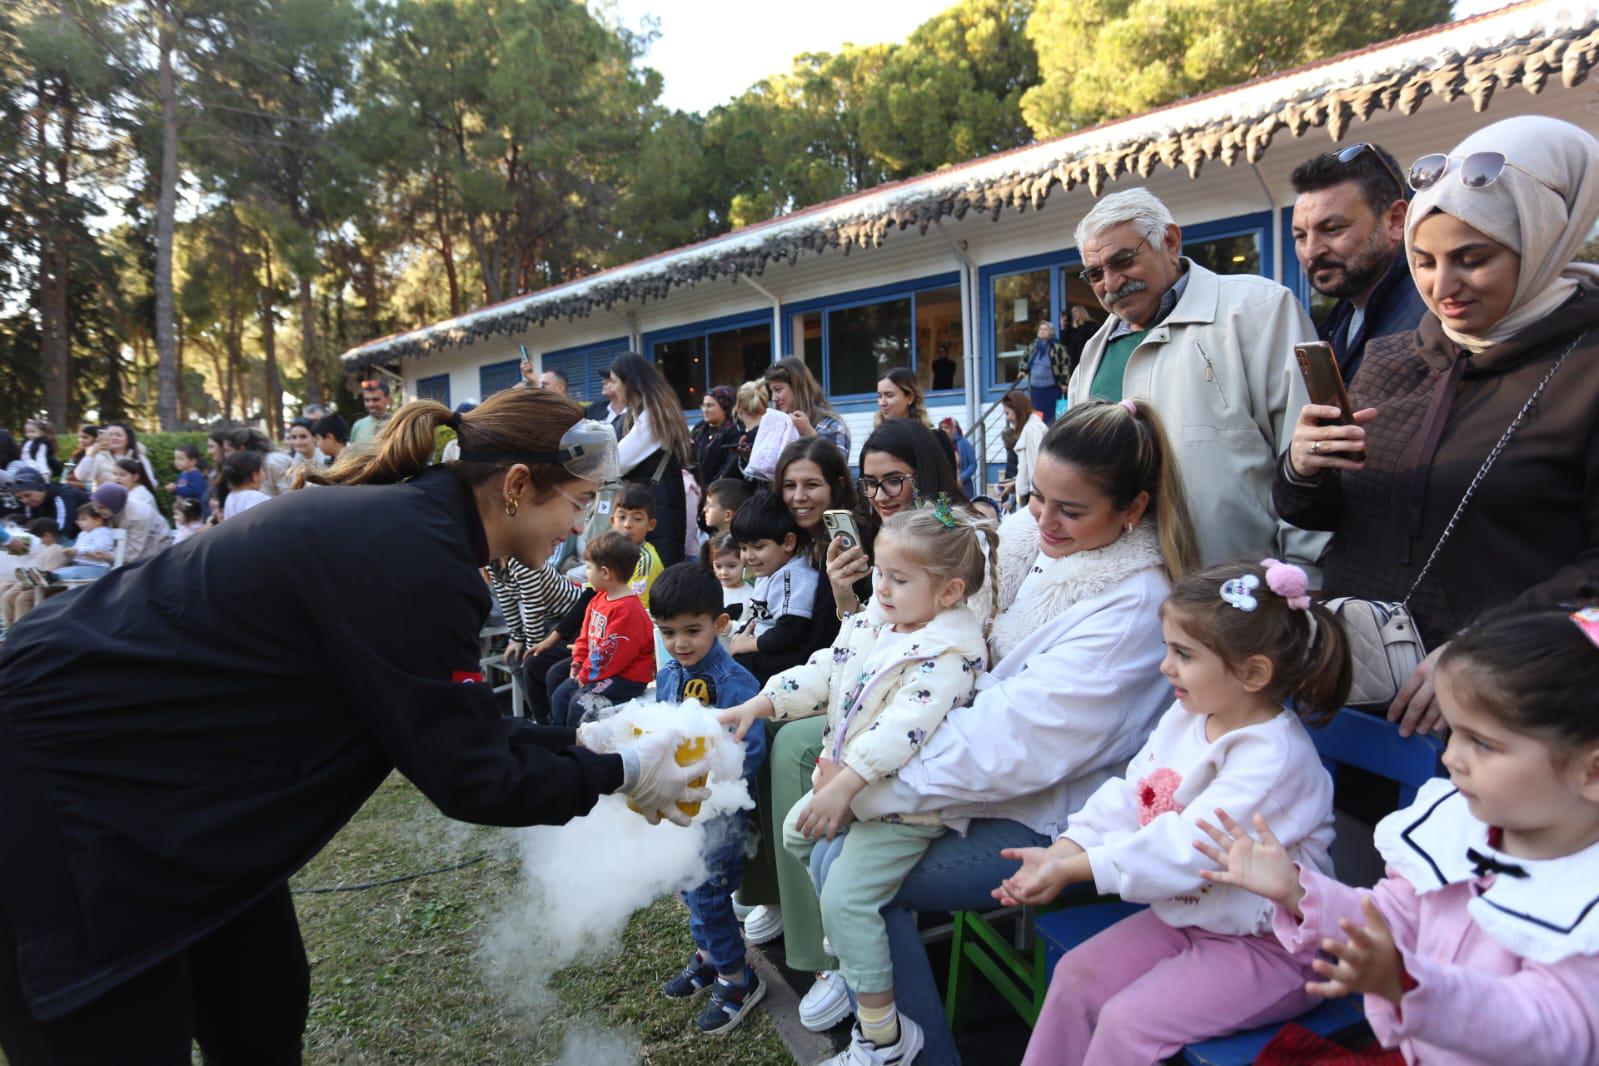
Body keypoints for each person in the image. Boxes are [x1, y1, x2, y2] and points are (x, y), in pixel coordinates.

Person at [0, 388, 710, 1060]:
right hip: (64, 782)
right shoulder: (414, 556)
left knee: (262, 1002)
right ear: (517, 485)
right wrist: (621, 772)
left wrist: (586, 742)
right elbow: (474, 779)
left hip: (169, 789)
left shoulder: (415, 531)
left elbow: (443, 722)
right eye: (580, 504)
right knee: (118, 1028)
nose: (579, 529)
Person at [828, 399, 1198, 1063]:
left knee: (855, 880)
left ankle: (906, 1047)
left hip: (1052, 820)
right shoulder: (1042, 553)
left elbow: (1015, 745)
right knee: (837, 858)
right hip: (989, 784)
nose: (1043, 520)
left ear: (1132, 509)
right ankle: (886, 1035)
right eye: (1035, 497)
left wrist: (866, 783)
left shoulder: (1130, 610)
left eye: (1070, 509)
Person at [1274, 115, 1599, 736]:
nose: (1442, 287)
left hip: (1510, 709)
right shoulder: (1396, 354)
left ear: (1542, 242)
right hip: (1360, 687)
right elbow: (1324, 512)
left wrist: (1490, 648)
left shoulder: (1585, 368)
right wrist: (1304, 466)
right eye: (1423, 261)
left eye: (1472, 260)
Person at [1199, 601, 1599, 1065]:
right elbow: (1391, 919)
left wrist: (1407, 983)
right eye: (1455, 734)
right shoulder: (1460, 823)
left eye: (1483, 744)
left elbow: (1555, 1031)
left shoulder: (1585, 894)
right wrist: (1296, 890)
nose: (1452, 758)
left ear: (1591, 771)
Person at [1004, 558, 1351, 1064]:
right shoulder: (1191, 715)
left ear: (1253, 672)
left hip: (1272, 946)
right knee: (1077, 976)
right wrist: (1067, 847)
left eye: (1184, 654)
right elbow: (1134, 794)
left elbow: (1187, 849)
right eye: (1168, 648)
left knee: (1128, 1023)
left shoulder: (1273, 759)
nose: (1166, 666)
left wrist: (1077, 869)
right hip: (1192, 916)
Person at [724, 503, 999, 1065]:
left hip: (901, 808)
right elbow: (830, 667)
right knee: (797, 834)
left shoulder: (947, 655)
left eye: (899, 578)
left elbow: (903, 729)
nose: (882, 586)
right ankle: (848, 946)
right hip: (856, 787)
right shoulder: (882, 618)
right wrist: (762, 701)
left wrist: (845, 782)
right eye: (879, 572)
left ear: (948, 593)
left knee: (849, 899)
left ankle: (885, 1038)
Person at [1067, 188, 1326, 572]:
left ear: (1170, 242)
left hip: (1247, 598)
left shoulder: (1258, 311)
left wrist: (1305, 574)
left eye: (1123, 261)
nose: (1111, 282)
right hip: (1127, 604)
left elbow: (1309, 451)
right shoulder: (1092, 353)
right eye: (1094, 274)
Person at [641, 562, 770, 1034]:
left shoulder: (735, 684)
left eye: (692, 631)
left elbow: (749, 750)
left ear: (720, 624)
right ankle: (709, 956)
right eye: (668, 632)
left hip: (720, 814)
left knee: (710, 894)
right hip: (686, 808)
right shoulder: (671, 672)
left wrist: (706, 784)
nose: (679, 643)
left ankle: (738, 979)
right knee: (688, 884)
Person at [1291, 142, 1427, 381]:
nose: (1311, 251)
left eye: (1332, 229)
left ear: (1395, 221)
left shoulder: (1438, 312)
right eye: (1300, 236)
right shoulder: (1340, 320)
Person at [551, 531, 655, 728]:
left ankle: (579, 751)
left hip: (625, 678)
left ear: (606, 573)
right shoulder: (599, 599)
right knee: (561, 695)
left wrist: (586, 674)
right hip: (600, 670)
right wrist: (578, 661)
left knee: (579, 705)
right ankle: (560, 741)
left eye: (589, 567)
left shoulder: (628, 611)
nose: (586, 572)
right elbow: (585, 636)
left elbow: (610, 655)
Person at [607, 353, 693, 567]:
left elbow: (618, 461)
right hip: (656, 504)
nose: (612, 388)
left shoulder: (653, 415)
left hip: (656, 510)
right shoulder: (651, 410)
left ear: (630, 381)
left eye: (615, 381)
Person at [728, 490, 818, 679]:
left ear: (788, 542)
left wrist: (748, 645)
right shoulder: (770, 568)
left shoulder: (792, 575)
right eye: (743, 548)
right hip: (759, 653)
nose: (749, 556)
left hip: (780, 666)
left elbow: (790, 632)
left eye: (758, 547)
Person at [765, 356, 850, 458]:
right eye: (772, 391)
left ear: (797, 387)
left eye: (778, 390)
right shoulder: (780, 425)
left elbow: (837, 468)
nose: (773, 398)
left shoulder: (830, 425)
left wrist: (809, 433)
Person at [0, 519, 68, 627]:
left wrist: (28, 584)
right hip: (33, 582)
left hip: (45, 586)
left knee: (22, 599)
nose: (37, 541)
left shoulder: (56, 550)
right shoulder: (45, 548)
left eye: (38, 537)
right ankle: (9, 627)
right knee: (7, 596)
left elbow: (49, 575)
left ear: (48, 536)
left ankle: (22, 630)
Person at [610, 482, 664, 610]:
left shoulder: (645, 559)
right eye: (622, 517)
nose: (627, 524)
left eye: (637, 519)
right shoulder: (610, 550)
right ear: (612, 521)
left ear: (651, 525)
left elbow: (637, 606)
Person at [94, 483, 169, 562]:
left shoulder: (139, 515)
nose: (96, 510)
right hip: (130, 552)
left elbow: (134, 553)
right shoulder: (112, 509)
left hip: (153, 553)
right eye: (94, 505)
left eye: (101, 507)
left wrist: (108, 556)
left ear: (113, 504)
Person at [73, 422, 156, 492]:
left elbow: (151, 483)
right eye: (110, 435)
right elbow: (81, 476)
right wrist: (91, 455)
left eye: (118, 435)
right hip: (107, 503)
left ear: (128, 439)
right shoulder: (98, 457)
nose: (114, 438)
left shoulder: (139, 457)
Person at [996, 392, 1045, 508]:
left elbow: (1037, 469)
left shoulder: (1032, 430)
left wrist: (1036, 500)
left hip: (1033, 500)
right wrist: (1015, 483)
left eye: (1007, 413)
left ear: (1017, 410)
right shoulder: (1030, 429)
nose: (1007, 418)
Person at [45, 504, 119, 581]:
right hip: (80, 565)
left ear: (98, 520)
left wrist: (77, 551)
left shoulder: (103, 532)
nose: (79, 523)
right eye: (78, 520)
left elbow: (98, 549)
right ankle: (47, 575)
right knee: (64, 569)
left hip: (97, 567)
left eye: (83, 519)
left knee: (74, 571)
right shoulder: (83, 533)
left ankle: (51, 577)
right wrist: (71, 552)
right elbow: (77, 548)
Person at [6, 470, 86, 535]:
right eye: (19, 498)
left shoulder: (63, 496)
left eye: (28, 495)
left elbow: (60, 530)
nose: (24, 501)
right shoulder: (32, 502)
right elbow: (30, 524)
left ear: (41, 489)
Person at [1021, 320, 1070, 423]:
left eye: (1045, 329)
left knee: (1054, 418)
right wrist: (1022, 370)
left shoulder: (1057, 347)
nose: (1042, 331)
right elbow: (1025, 358)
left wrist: (1065, 382)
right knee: (1038, 417)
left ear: (1051, 332)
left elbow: (1065, 364)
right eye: (1041, 329)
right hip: (1036, 390)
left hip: (1052, 389)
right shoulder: (1033, 345)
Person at [693, 385, 743, 489]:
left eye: (710, 405)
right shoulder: (699, 429)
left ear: (724, 407)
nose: (705, 410)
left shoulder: (733, 432)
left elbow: (727, 469)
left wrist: (710, 490)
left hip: (716, 492)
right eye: (703, 405)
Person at [229, 427, 295, 498]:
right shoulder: (249, 466)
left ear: (242, 449)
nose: (227, 455)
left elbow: (290, 494)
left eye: (228, 450)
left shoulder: (274, 462)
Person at [709, 532, 752, 625]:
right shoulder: (709, 590)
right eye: (718, 566)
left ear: (744, 562)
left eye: (732, 566)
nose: (724, 572)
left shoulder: (752, 595)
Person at [221, 453, 271, 520]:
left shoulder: (230, 497)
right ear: (255, 476)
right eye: (262, 470)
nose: (264, 475)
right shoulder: (256, 497)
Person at [940, 418, 977, 499]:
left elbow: (973, 464)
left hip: (963, 487)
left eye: (946, 427)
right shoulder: (941, 444)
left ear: (954, 429)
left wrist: (962, 478)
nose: (943, 430)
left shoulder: (964, 443)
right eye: (942, 428)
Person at [1059, 304, 1098, 381]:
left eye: (1075, 311)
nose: (1073, 314)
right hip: (1074, 363)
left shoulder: (1091, 325)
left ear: (1082, 312)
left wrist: (1078, 326)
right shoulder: (1071, 329)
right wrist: (1063, 326)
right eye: (1072, 312)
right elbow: (1064, 342)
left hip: (1088, 361)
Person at [349, 379, 392, 445]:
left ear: (388, 399)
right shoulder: (358, 426)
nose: (371, 404)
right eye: (367, 400)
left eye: (375, 399)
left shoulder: (396, 423)